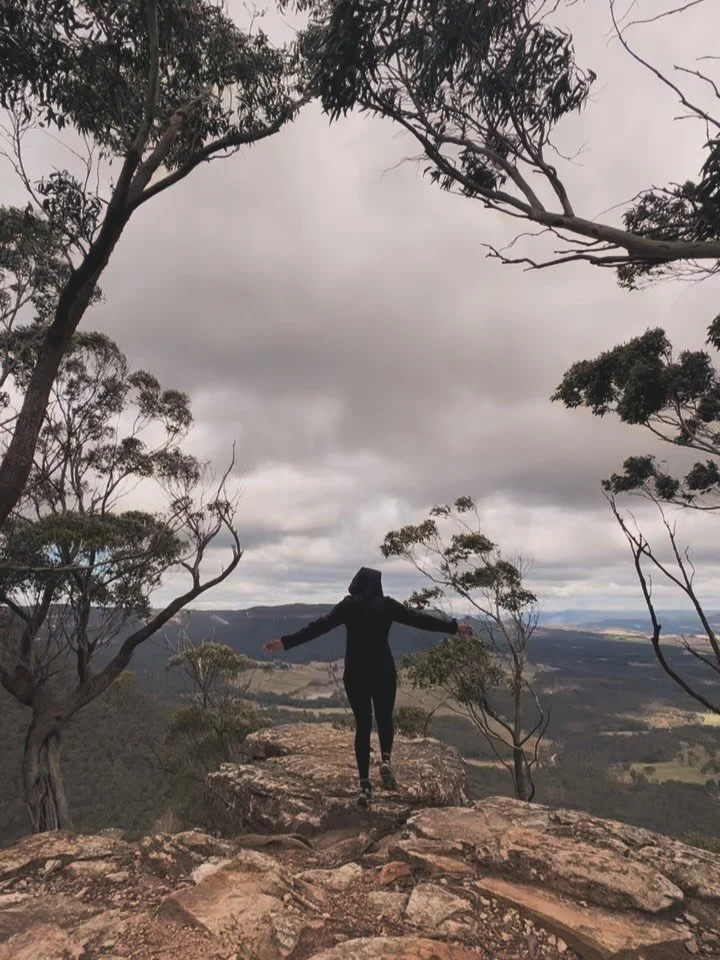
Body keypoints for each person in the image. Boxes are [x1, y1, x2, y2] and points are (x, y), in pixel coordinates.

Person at [263, 566, 472, 808]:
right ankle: (386, 760)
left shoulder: (349, 605)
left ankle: (364, 785)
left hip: (356, 672)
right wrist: (453, 627)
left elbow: (320, 626)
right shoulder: (388, 605)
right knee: (384, 719)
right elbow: (419, 620)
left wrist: (286, 642)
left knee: (363, 725)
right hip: (383, 670)